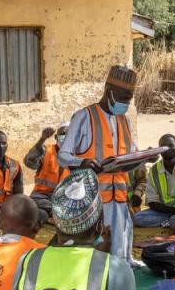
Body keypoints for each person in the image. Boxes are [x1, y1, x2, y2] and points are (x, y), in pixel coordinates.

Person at [59, 65, 142, 265]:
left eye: (129, 98)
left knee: (118, 256)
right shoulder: (84, 117)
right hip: (91, 203)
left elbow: (130, 156)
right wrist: (83, 162)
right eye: (122, 97)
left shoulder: (125, 121)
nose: (125, 102)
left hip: (119, 200)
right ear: (108, 91)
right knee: (94, 258)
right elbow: (63, 156)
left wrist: (143, 158)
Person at [132, 134, 175, 230]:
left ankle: (173, 220)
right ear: (159, 150)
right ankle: (172, 220)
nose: (167, 149)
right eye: (163, 146)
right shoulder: (154, 170)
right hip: (167, 211)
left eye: (171, 145)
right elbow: (152, 202)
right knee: (137, 218)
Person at [24, 123, 69, 223]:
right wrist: (42, 139)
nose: (66, 137)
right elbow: (29, 161)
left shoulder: (77, 156)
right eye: (63, 133)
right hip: (41, 196)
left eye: (69, 134)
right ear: (56, 137)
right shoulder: (46, 151)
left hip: (63, 200)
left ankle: (53, 213)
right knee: (40, 213)